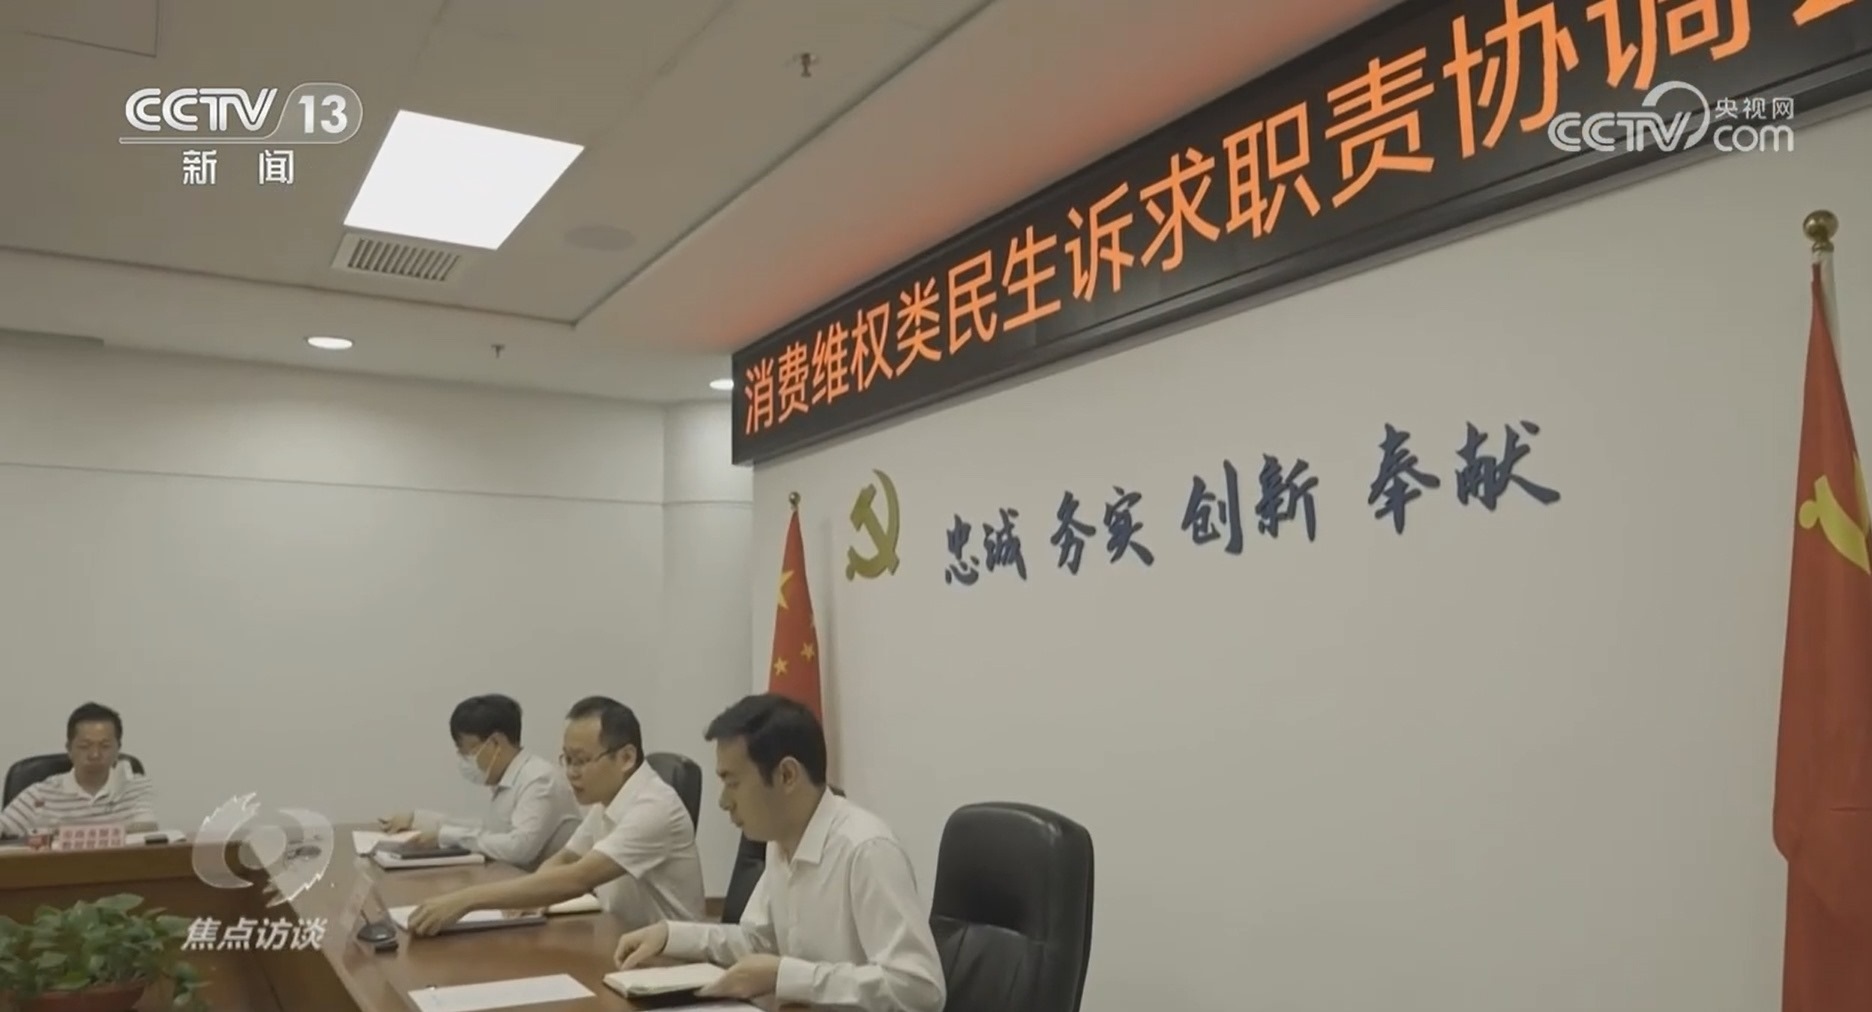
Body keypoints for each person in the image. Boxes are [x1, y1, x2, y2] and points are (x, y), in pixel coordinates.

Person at [612, 694, 945, 1012]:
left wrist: (785, 976)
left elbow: (920, 989)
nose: (724, 802)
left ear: (787, 775)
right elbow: (757, 942)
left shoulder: (866, 850)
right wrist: (670, 935)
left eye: (732, 783)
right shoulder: (780, 841)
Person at [407, 695, 705, 935]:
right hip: (620, 939)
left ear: (626, 758)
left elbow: (578, 877)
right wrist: (530, 898)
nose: (571, 772)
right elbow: (565, 858)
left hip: (670, 965)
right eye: (568, 759)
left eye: (581, 761)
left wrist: (467, 899)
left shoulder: (653, 807)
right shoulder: (608, 801)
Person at [377, 694, 579, 870]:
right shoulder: (510, 780)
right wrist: (417, 819)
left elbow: (519, 848)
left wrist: (445, 836)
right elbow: (489, 831)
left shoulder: (539, 779)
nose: (464, 758)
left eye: (467, 749)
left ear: (495, 742)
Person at [0, 702, 157, 837]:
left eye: (105, 746)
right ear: (69, 749)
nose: (95, 754)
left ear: (118, 749)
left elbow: (147, 837)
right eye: (84, 746)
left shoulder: (136, 787)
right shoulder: (40, 795)